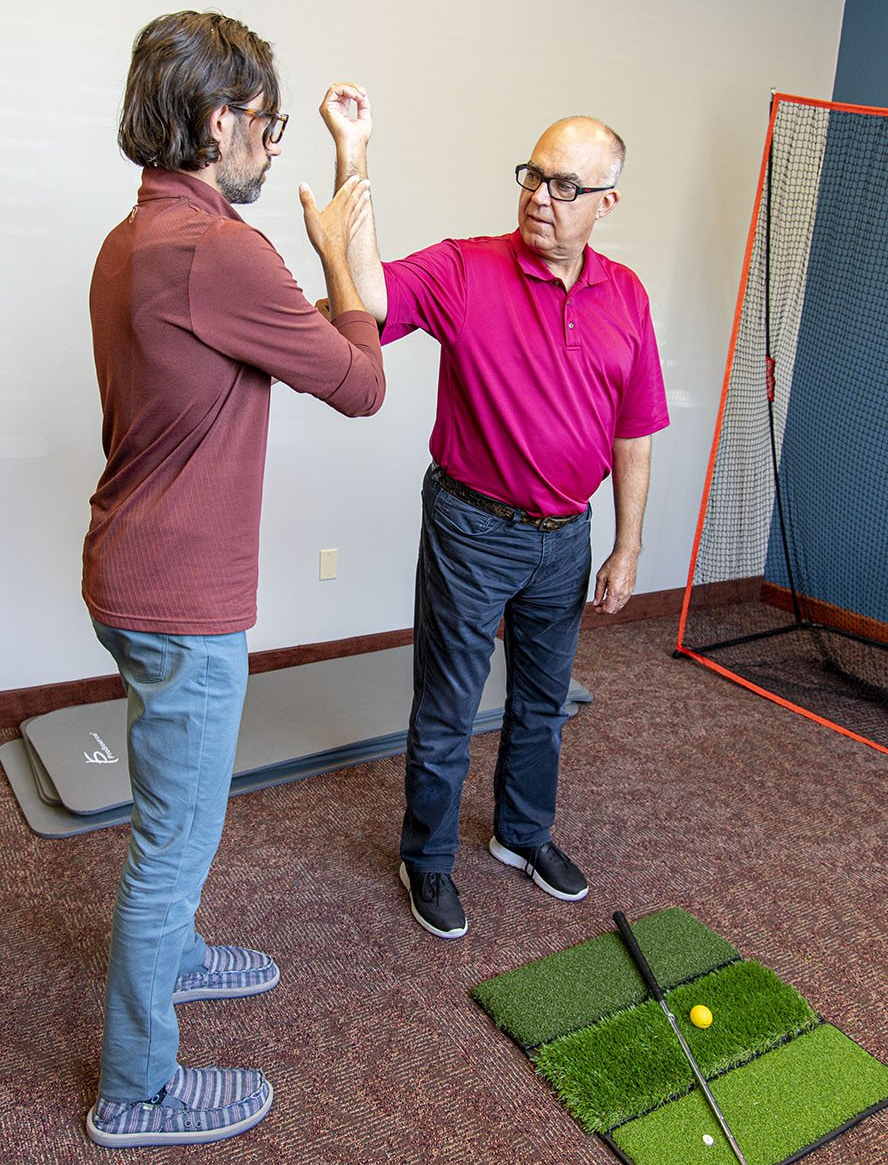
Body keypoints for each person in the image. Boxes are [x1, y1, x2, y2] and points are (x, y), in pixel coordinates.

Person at [81, 19, 385, 1148]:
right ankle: (135, 1089)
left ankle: (188, 960)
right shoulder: (225, 253)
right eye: (267, 125)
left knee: (173, 814)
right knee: (173, 843)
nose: (270, 146)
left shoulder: (140, 233)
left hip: (132, 572)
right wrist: (337, 239)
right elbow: (363, 381)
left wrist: (346, 181)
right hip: (178, 596)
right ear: (222, 124)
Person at [320, 85, 668, 940]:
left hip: (567, 538)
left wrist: (626, 544)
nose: (539, 198)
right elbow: (362, 297)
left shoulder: (626, 296)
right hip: (472, 529)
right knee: (447, 711)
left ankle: (521, 835)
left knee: (543, 705)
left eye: (564, 187)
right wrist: (353, 152)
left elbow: (635, 431)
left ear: (606, 203)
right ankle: (427, 860)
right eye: (533, 177)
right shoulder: (464, 268)